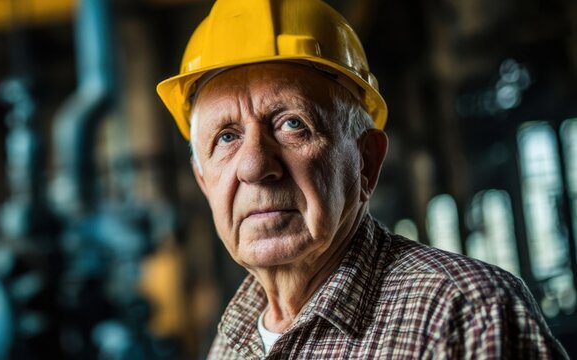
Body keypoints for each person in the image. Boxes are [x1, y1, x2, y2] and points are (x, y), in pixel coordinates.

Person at [156, 0, 569, 358]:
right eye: (226, 137)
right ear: (204, 181)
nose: (254, 166)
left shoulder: (466, 314)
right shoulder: (233, 339)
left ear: (366, 161)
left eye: (291, 124)